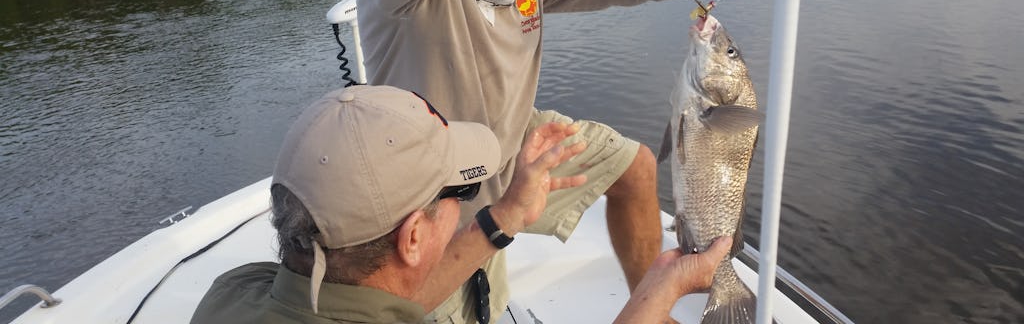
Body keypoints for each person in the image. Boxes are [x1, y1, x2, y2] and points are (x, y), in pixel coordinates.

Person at [353, 0, 766, 321]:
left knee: (635, 169)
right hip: (431, 187)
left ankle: (651, 310)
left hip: (513, 142)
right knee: (470, 308)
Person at [190, 85, 733, 323]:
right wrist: (664, 288)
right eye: (461, 192)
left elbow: (376, 297)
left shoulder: (231, 295)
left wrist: (503, 220)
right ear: (414, 238)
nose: (469, 204)